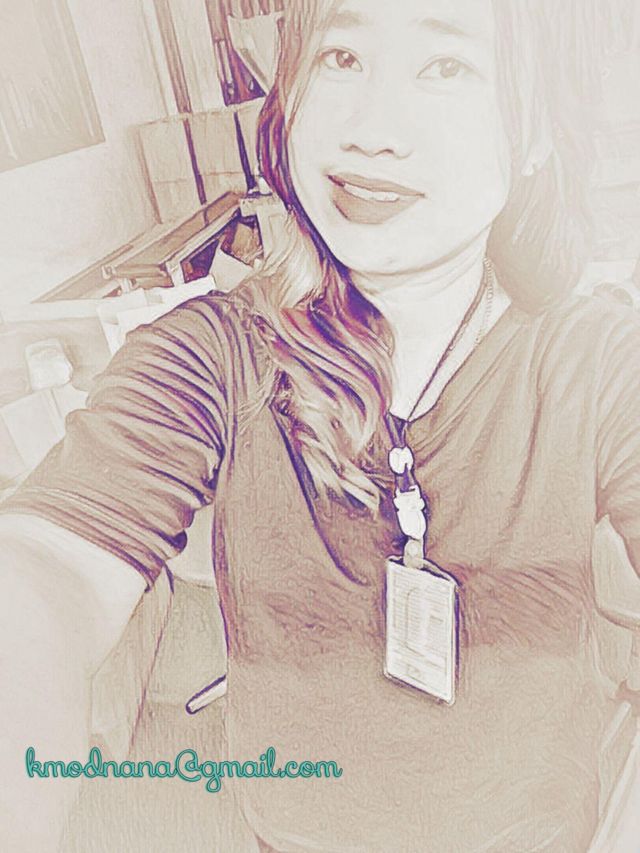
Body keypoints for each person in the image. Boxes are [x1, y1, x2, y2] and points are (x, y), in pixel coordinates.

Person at [2, 0, 640, 850]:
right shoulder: (213, 354)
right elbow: (45, 570)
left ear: (534, 134)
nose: (371, 129)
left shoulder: (602, 362)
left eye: (446, 66)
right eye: (340, 57)